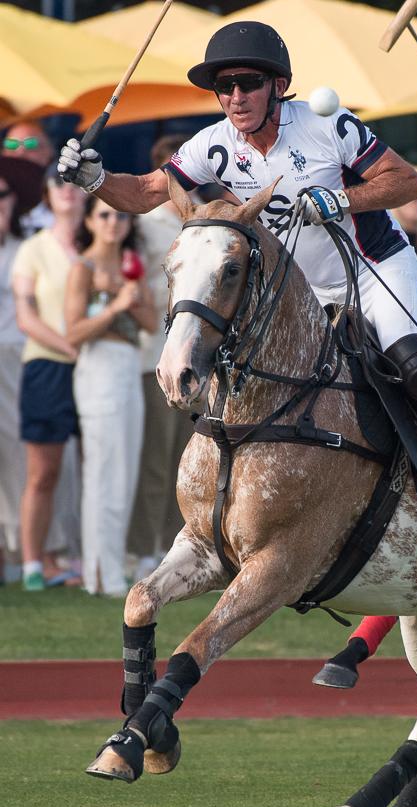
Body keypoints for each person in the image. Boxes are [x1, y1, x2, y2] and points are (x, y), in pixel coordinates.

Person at [58, 20, 417, 548]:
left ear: (278, 85)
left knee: (410, 361)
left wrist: (341, 198)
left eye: (248, 83)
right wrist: (95, 178)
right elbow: (143, 193)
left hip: (373, 270)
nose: (236, 97)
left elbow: (406, 182)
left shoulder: (328, 125)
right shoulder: (213, 144)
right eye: (224, 86)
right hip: (299, 288)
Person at [65, 197, 156, 596]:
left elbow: (150, 322)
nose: (113, 222)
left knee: (125, 471)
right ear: (89, 221)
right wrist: (114, 306)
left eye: (120, 215)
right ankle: (100, 574)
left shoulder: (131, 265)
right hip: (98, 367)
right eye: (103, 215)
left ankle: (113, 568)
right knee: (104, 472)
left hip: (129, 365)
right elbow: (73, 333)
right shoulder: (83, 267)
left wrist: (123, 291)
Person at [12, 166, 86, 590]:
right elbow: (26, 318)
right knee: (43, 473)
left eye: (74, 182)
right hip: (48, 366)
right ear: (46, 193)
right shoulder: (33, 249)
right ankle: (33, 566)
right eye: (58, 183)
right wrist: (72, 348)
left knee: (97, 469)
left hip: (96, 368)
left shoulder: (101, 240)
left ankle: (90, 560)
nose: (67, 190)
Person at [127, 135, 196, 581]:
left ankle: (176, 548)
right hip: (154, 356)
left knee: (184, 463)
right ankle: (140, 550)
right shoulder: (145, 225)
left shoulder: (200, 218)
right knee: (154, 460)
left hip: (195, 360)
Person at [0, 155, 43, 582]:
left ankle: (15, 551)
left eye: (2, 195)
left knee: (17, 454)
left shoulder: (26, 246)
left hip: (17, 354)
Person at [3, 121, 56, 237]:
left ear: (49, 152)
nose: (20, 151)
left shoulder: (61, 195)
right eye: (11, 144)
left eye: (30, 144)